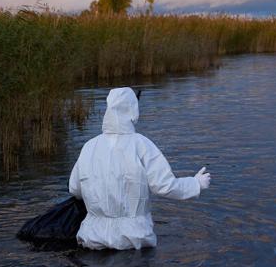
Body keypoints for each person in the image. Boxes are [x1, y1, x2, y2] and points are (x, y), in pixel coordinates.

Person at [70, 87, 211, 250]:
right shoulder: (142, 145)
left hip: (92, 239)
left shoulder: (89, 147)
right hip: (134, 239)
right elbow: (164, 186)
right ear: (133, 111)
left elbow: (74, 189)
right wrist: (196, 184)